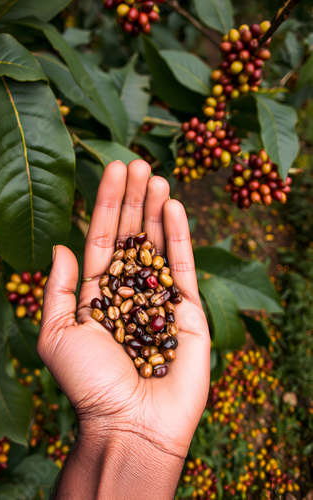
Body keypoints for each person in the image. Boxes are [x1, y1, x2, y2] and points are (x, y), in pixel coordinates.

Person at [38, 159, 211, 499]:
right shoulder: (132, 290)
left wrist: (121, 431)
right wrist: (131, 436)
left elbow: (144, 313)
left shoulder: (142, 298)